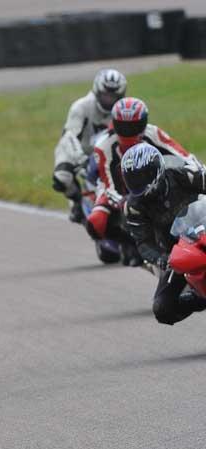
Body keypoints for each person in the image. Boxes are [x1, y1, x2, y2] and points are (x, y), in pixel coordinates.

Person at [87, 98, 196, 249]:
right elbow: (109, 185)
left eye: (134, 126)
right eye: (123, 126)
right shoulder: (103, 146)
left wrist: (197, 171)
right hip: (116, 188)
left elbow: (183, 156)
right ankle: (133, 245)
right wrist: (128, 201)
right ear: (114, 124)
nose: (128, 131)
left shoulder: (154, 133)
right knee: (96, 221)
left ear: (143, 123)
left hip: (154, 180)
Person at [122, 143, 206, 325]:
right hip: (178, 253)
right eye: (133, 179)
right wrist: (161, 257)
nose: (138, 183)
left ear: (156, 170)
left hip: (203, 229)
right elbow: (143, 242)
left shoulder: (184, 174)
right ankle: (200, 299)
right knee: (163, 309)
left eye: (143, 177)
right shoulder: (133, 207)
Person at [53, 69, 127, 223]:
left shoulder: (122, 109)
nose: (109, 100)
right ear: (97, 91)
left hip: (102, 151)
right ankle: (76, 201)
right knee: (62, 178)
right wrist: (81, 159)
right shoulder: (81, 107)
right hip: (74, 148)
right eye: (106, 95)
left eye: (113, 96)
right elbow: (70, 136)